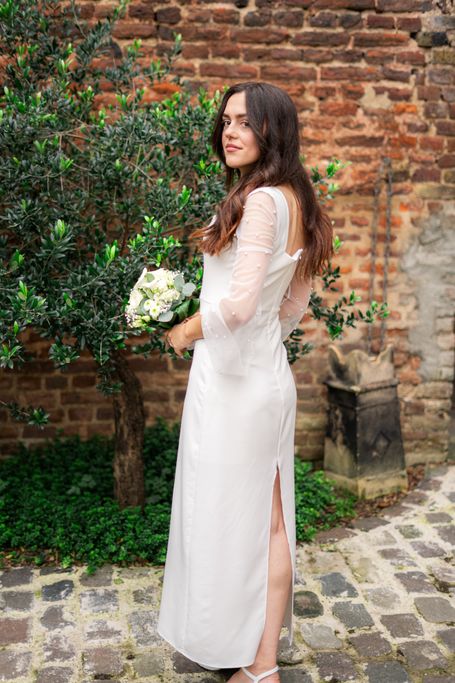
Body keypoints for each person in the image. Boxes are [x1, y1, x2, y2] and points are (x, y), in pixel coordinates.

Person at [157, 81, 333, 683]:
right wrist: (258, 342)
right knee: (267, 518)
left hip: (235, 387)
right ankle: (256, 656)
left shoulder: (260, 202)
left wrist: (184, 331)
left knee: (242, 517)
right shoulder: (298, 201)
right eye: (227, 120)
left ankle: (259, 666)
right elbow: (294, 305)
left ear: (272, 132)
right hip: (264, 376)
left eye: (246, 123)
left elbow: (237, 305)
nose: (230, 132)